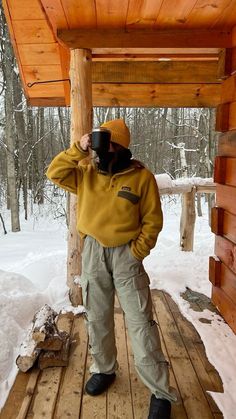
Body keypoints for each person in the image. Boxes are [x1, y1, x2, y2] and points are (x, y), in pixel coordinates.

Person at [46, 119, 177, 419]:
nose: (102, 150)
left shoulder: (142, 177)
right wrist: (77, 149)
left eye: (108, 143)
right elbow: (54, 172)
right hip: (92, 252)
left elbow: (153, 221)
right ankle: (104, 370)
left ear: (121, 147)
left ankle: (160, 392)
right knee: (97, 317)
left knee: (141, 323)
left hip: (126, 257)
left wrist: (136, 253)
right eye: (99, 142)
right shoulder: (85, 170)